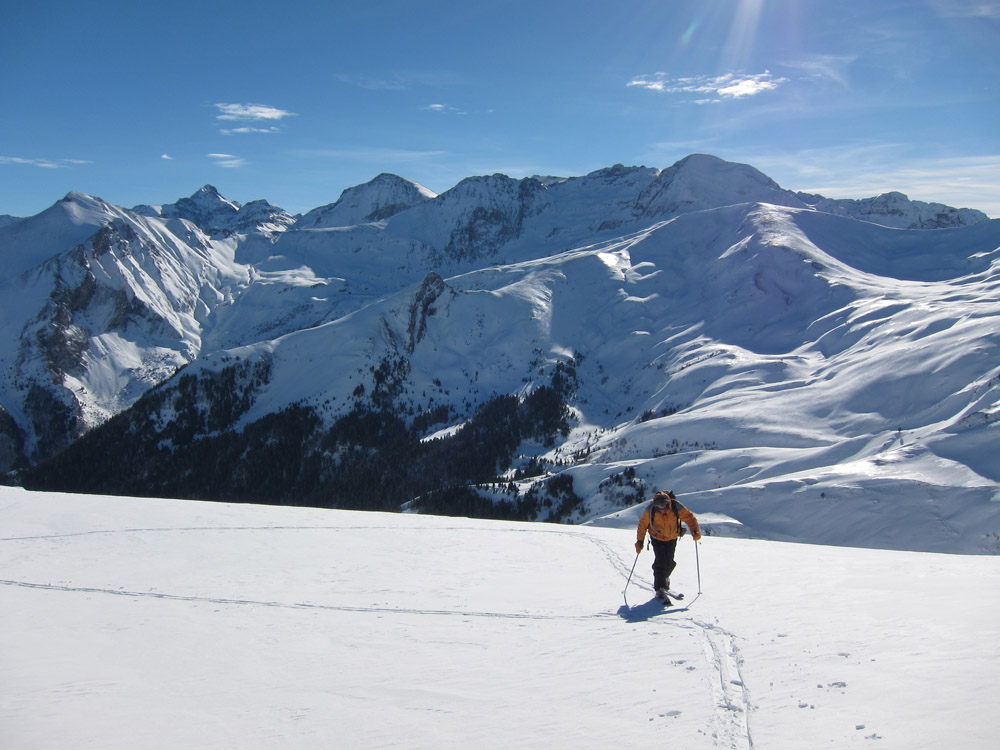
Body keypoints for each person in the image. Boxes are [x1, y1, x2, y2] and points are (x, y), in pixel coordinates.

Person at [635, 490, 701, 600]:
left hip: (672, 538)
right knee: (660, 562)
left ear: (668, 502)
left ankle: (665, 578)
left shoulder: (675, 506)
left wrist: (695, 531)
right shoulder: (651, 509)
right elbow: (643, 525)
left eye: (663, 505)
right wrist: (639, 541)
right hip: (657, 538)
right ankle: (659, 588)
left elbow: (689, 517)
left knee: (670, 562)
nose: (661, 508)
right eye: (658, 506)